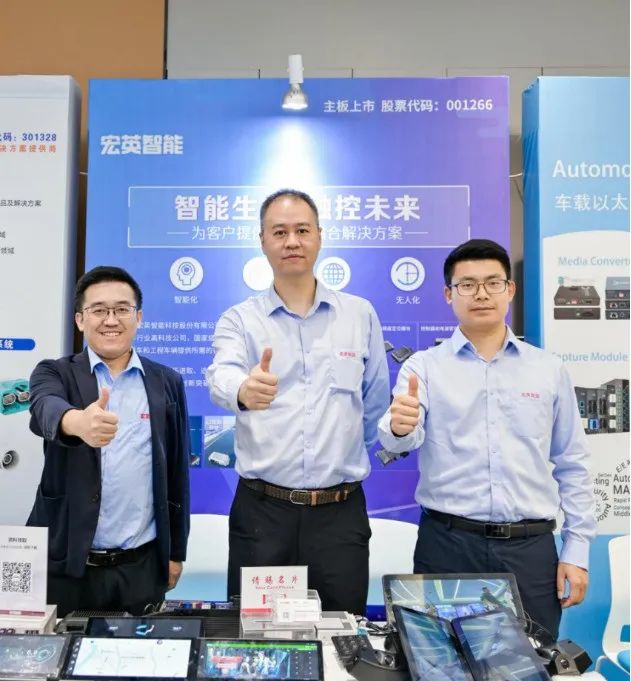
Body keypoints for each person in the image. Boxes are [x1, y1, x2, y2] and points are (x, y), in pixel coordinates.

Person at [378, 239, 595, 639]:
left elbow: (573, 463)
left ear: (510, 290)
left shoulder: (548, 369)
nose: (481, 294)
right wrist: (399, 427)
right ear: (449, 294)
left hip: (530, 551)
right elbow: (398, 442)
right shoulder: (423, 367)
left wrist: (577, 550)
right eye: (467, 284)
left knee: (532, 661)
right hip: (448, 546)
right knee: (439, 660)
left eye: (493, 283)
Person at [207, 188, 390, 614]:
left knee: (343, 634)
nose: (292, 241)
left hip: (339, 516)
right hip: (263, 516)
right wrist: (243, 391)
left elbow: (374, 403)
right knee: (257, 638)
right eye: (280, 232)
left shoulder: (359, 314)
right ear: (262, 241)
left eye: (302, 230)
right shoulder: (240, 319)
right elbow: (221, 374)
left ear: (320, 236)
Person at [27, 266, 190, 616]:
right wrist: (77, 422)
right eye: (99, 310)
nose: (111, 320)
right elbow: (44, 408)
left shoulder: (167, 382)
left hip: (141, 567)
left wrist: (176, 552)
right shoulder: (54, 372)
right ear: (80, 320)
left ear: (138, 317)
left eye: (122, 309)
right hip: (67, 564)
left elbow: (177, 473)